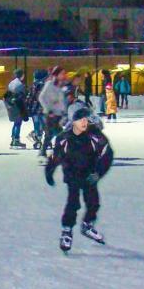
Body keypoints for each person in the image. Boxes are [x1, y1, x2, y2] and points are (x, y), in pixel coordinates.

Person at [44, 105, 114, 253]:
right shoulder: (64, 138)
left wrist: (98, 173)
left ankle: (87, 225)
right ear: (73, 121)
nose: (84, 122)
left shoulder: (95, 136)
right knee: (73, 204)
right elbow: (56, 156)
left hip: (89, 176)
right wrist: (49, 171)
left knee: (93, 203)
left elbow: (108, 154)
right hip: (72, 176)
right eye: (80, 119)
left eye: (86, 119)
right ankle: (67, 231)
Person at [39, 66, 69, 155]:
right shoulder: (49, 84)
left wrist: (64, 111)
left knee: (51, 134)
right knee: (58, 134)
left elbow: (61, 101)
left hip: (59, 114)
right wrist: (48, 110)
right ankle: (56, 152)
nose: (64, 75)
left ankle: (44, 151)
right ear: (56, 74)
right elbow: (41, 97)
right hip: (51, 115)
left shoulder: (61, 85)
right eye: (62, 73)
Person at [5, 68, 28, 148]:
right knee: (18, 123)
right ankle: (16, 140)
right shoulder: (20, 85)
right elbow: (21, 96)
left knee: (15, 123)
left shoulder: (11, 83)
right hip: (17, 106)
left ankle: (13, 139)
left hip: (11, 105)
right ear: (21, 75)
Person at [27, 69, 48, 150]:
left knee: (36, 125)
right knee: (45, 125)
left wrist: (28, 106)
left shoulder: (34, 85)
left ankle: (38, 141)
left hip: (35, 109)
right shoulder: (47, 85)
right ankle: (47, 141)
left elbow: (30, 97)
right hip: (44, 109)